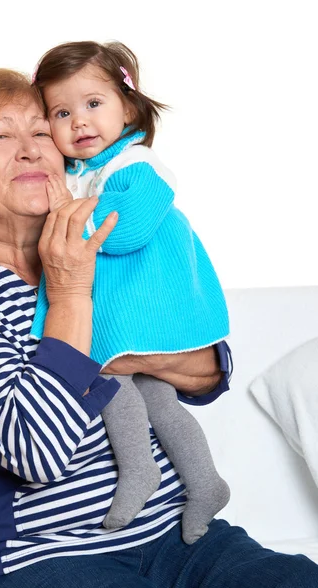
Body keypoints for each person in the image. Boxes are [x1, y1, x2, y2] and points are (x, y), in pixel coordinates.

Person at [0, 68, 318, 588]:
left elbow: (209, 370)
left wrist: (129, 356)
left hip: (174, 537)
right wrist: (71, 292)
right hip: (26, 561)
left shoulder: (100, 242)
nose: (30, 150)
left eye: (41, 131)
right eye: (0, 136)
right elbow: (37, 453)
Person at [29, 41, 230, 540]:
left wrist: (65, 217)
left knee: (107, 379)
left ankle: (140, 469)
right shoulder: (75, 176)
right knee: (155, 398)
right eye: (61, 112)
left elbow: (129, 225)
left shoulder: (136, 162)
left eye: (94, 104)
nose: (79, 122)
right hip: (124, 301)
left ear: (129, 106)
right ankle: (203, 481)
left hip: (148, 300)